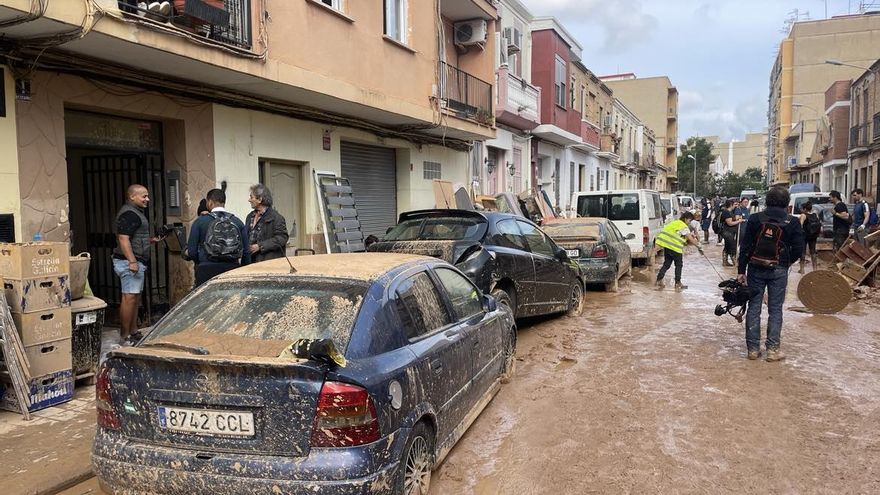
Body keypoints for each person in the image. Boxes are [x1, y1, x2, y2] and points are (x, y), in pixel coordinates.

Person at [737, 187, 805, 362]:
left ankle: (752, 350)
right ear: (787, 203)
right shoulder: (793, 222)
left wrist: (740, 271)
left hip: (754, 268)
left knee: (754, 307)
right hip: (779, 270)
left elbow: (744, 247)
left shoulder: (755, 219)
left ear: (767, 201)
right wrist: (786, 262)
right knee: (775, 309)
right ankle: (773, 350)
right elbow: (799, 248)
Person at [112, 184, 163, 343]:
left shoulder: (135, 213)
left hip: (135, 261)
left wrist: (149, 241)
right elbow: (123, 238)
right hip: (130, 263)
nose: (147, 199)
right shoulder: (129, 213)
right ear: (132, 196)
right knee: (129, 298)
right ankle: (124, 336)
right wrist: (132, 261)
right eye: (144, 196)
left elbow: (132, 237)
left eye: (147, 196)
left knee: (134, 298)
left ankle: (133, 332)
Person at [186, 189, 249, 287]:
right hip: (232, 269)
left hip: (206, 270)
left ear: (210, 202)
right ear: (224, 202)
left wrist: (201, 262)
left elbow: (192, 251)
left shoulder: (200, 222)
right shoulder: (237, 222)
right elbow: (246, 252)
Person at [655, 211, 704, 290]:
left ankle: (658, 280)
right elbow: (690, 239)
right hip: (675, 248)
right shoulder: (683, 226)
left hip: (667, 246)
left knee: (667, 264)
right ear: (685, 219)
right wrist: (699, 246)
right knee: (679, 265)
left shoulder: (675, 223)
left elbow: (678, 234)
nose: (689, 223)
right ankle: (678, 283)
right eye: (689, 220)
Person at [244, 184, 289, 263]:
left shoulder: (276, 218)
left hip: (267, 263)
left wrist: (260, 246)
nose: (249, 200)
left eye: (251, 197)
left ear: (260, 199)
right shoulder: (250, 216)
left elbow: (282, 238)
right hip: (250, 262)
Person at [720, 199, 744, 267]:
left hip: (729, 232)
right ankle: (735, 263)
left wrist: (738, 218)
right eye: (735, 204)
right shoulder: (726, 212)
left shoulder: (730, 212)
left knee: (727, 246)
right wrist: (739, 221)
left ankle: (725, 261)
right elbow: (730, 223)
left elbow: (732, 219)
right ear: (731, 205)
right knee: (732, 246)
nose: (736, 206)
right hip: (727, 232)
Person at [798, 201, 820, 274]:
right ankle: (815, 269)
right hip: (813, 236)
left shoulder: (803, 215)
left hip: (804, 236)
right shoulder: (815, 215)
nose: (800, 210)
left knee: (802, 252)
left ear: (804, 209)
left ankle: (802, 269)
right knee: (813, 252)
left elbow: (800, 226)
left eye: (801, 208)